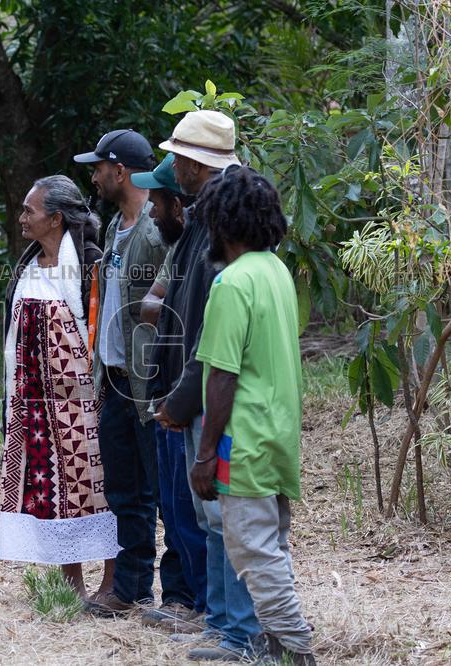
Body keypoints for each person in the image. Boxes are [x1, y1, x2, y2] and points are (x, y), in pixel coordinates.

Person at [190, 165, 314, 665]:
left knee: (251, 550)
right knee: (271, 545)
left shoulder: (232, 283)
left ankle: (297, 648)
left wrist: (203, 456)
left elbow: (222, 376)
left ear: (222, 223)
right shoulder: (275, 270)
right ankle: (276, 644)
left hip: (243, 439)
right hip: (279, 433)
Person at [151, 110, 261, 661]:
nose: (171, 166)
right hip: (199, 387)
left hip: (218, 392)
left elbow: (215, 332)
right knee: (210, 517)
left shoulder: (226, 226)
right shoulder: (202, 220)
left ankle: (238, 633)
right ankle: (221, 624)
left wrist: (189, 394)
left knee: (224, 519)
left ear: (195, 162)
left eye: (177, 156)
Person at [74, 129, 185, 616]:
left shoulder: (160, 230)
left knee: (168, 493)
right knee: (124, 491)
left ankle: (181, 596)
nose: (94, 175)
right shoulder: (113, 227)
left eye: (99, 167)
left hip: (153, 383)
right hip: (115, 380)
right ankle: (132, 588)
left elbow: (178, 302)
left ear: (120, 171)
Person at [0, 175, 117, 597]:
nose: (22, 217)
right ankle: (71, 582)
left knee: (95, 487)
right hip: (34, 407)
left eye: (30, 211)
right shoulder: (28, 265)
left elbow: (104, 331)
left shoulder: (90, 264)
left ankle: (112, 582)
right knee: (52, 487)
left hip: (85, 404)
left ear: (57, 218)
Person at [131, 154, 209, 632]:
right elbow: (148, 304)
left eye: (157, 202)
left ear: (177, 204)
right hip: (166, 390)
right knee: (176, 510)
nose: (151, 210)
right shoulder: (179, 249)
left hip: (189, 394)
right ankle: (193, 602)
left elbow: (171, 310)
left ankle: (208, 608)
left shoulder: (202, 249)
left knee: (196, 514)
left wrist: (169, 305)